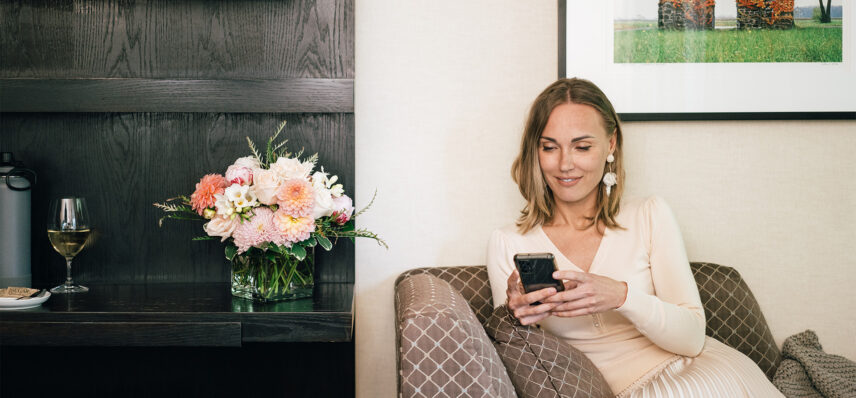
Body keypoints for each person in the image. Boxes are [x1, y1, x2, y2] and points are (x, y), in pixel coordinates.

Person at [486, 78, 783, 397]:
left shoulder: (650, 214)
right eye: (549, 147)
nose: (565, 164)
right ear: (535, 149)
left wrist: (622, 296)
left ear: (611, 144)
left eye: (582, 147)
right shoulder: (508, 243)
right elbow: (523, 357)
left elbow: (693, 338)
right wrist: (515, 316)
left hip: (702, 374)